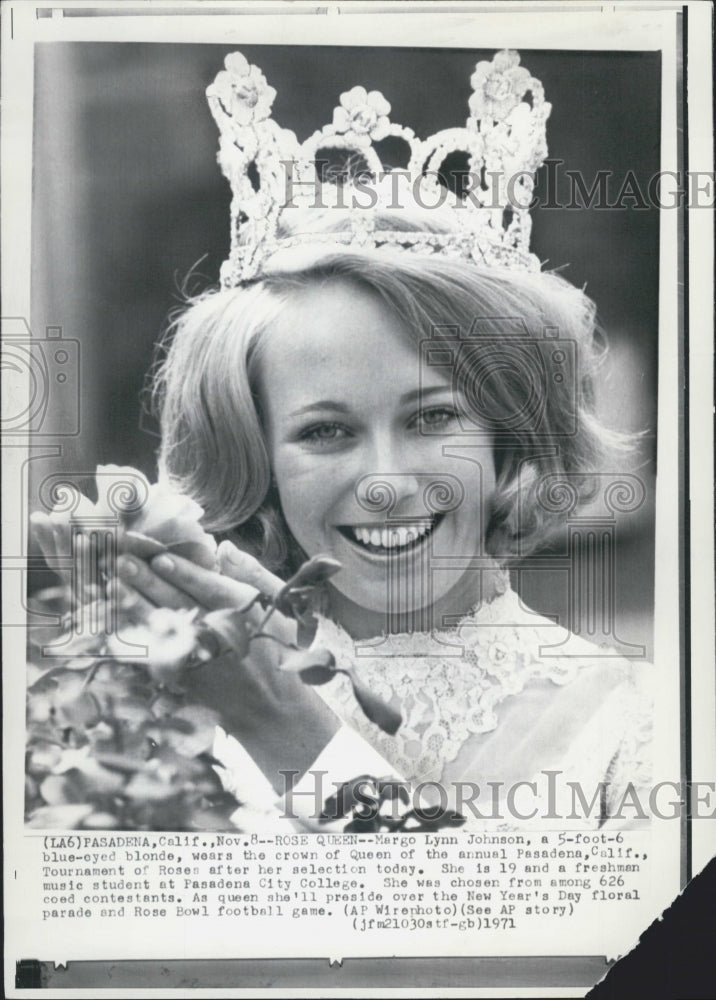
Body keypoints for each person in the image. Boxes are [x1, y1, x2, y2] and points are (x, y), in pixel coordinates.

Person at [35, 50, 656, 829]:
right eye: (326, 432)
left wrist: (284, 729)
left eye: (433, 418)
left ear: (510, 434)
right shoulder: (162, 719)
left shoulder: (639, 733)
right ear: (257, 460)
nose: (386, 480)